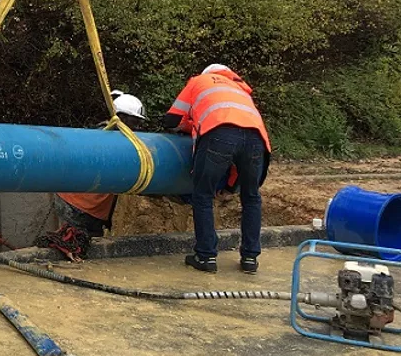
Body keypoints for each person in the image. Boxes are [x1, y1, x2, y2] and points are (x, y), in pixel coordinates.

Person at [163, 64, 270, 275]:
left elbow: (171, 119)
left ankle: (206, 256)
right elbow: (242, 135)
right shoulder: (240, 90)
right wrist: (231, 187)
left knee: (202, 194)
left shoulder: (198, 82)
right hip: (257, 138)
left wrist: (187, 126)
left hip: (219, 134)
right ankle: (250, 258)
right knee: (251, 197)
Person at [48, 91, 148, 261]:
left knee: (83, 245)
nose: (137, 128)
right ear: (121, 117)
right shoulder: (110, 139)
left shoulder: (109, 135)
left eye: (139, 123)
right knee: (79, 246)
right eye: (135, 122)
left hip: (82, 204)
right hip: (80, 205)